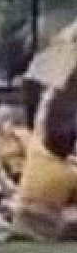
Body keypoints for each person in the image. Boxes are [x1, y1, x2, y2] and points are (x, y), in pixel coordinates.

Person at [14, 69, 77, 241]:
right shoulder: (69, 174)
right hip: (47, 226)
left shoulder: (36, 148)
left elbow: (42, 121)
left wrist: (53, 93)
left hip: (22, 215)